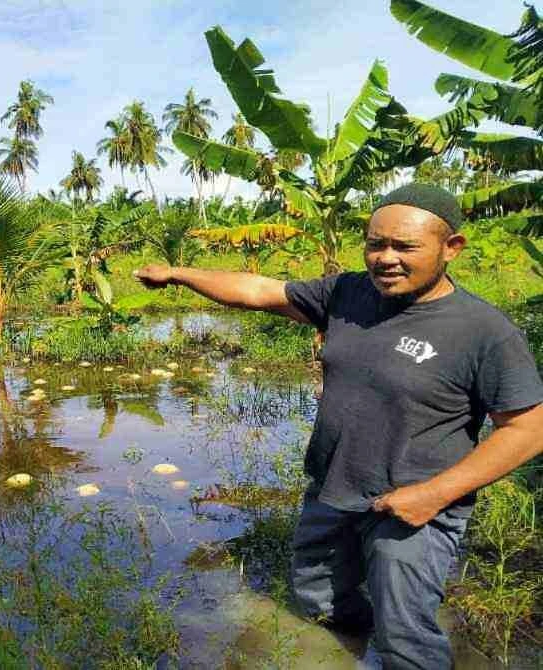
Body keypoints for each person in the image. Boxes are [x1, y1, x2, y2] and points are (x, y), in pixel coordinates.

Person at [133, 183, 543, 669]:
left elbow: (529, 429)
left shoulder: (484, 331)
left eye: (405, 246)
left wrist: (433, 495)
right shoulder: (348, 292)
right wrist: (177, 274)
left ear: (450, 248)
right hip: (333, 488)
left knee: (407, 639)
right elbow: (258, 291)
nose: (385, 258)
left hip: (415, 505)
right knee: (318, 602)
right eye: (375, 243)